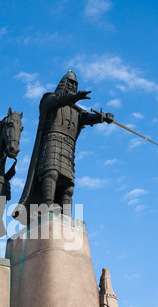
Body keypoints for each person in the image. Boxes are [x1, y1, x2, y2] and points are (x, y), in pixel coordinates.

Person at [14, 70, 114, 222]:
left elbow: (87, 117)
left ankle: (66, 220)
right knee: (51, 174)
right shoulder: (49, 100)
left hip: (68, 149)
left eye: (75, 85)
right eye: (71, 83)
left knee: (68, 187)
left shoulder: (77, 111)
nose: (73, 87)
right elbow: (58, 101)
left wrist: (102, 117)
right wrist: (75, 97)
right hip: (52, 143)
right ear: (64, 84)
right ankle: (46, 209)